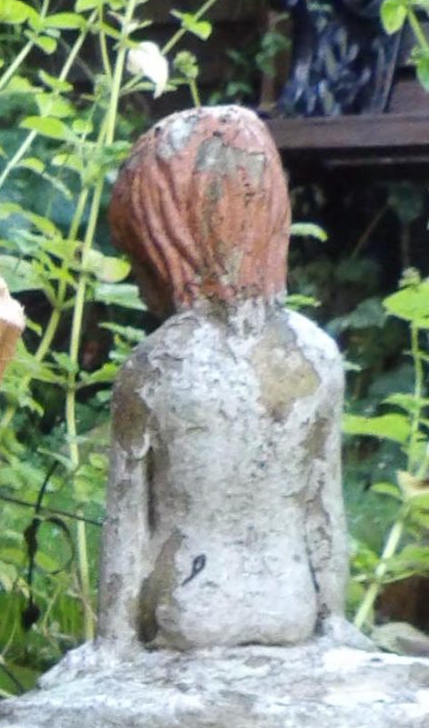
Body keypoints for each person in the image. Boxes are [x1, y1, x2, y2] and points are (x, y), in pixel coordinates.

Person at [95, 104, 357, 654]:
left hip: (190, 611)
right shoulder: (315, 355)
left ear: (168, 239)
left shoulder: (156, 367)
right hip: (291, 606)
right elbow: (323, 508)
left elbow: (127, 526)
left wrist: (110, 644)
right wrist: (334, 622)